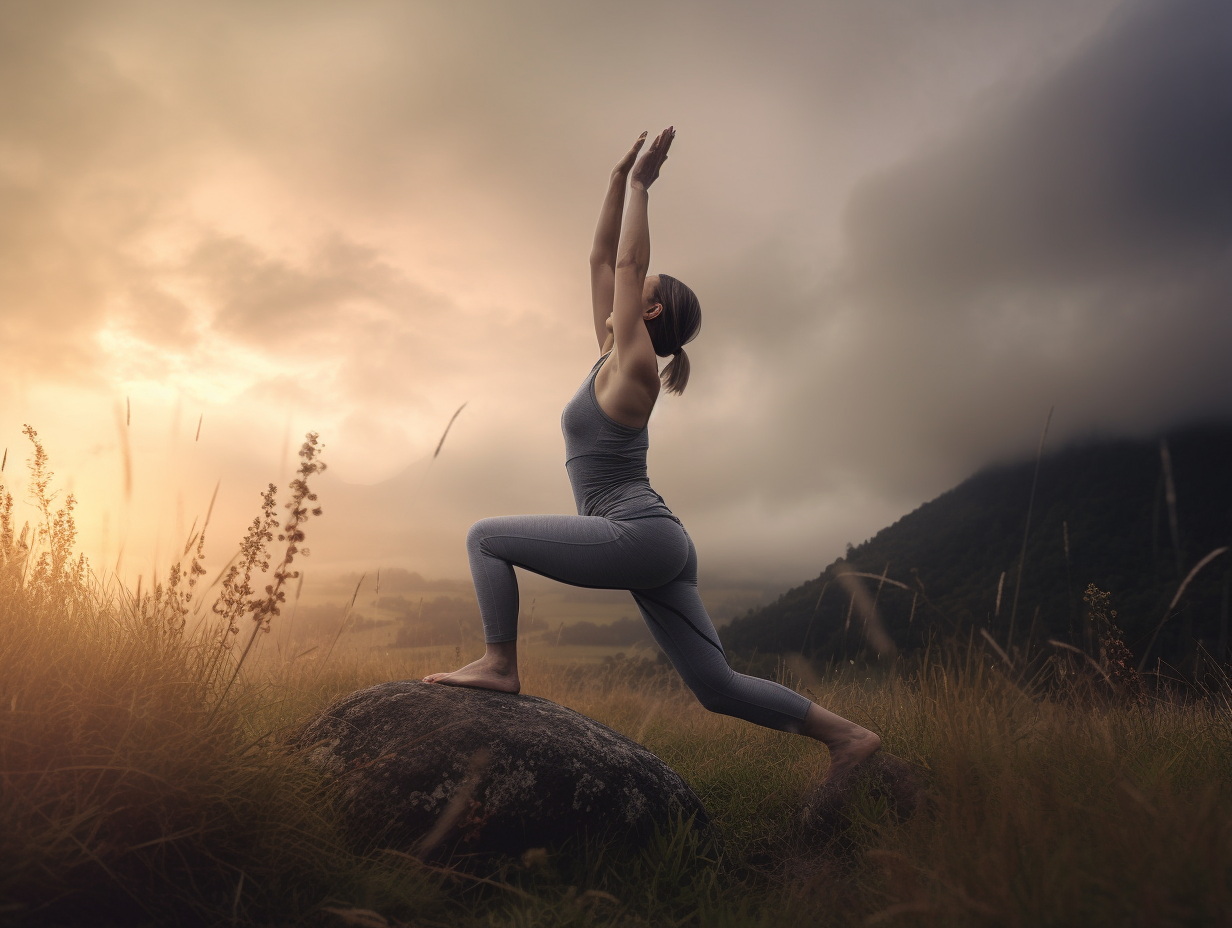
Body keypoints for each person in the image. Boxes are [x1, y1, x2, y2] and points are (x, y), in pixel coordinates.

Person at [425, 127, 881, 780]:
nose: (618, 285)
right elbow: (600, 261)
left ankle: (500, 664)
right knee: (716, 687)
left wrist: (642, 187)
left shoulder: (635, 365)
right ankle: (850, 739)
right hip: (656, 541)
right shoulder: (609, 359)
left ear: (651, 308)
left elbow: (628, 267)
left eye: (635, 286)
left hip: (637, 532)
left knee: (485, 538)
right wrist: (614, 182)